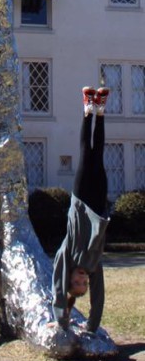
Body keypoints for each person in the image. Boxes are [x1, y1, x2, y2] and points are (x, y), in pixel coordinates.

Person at [51, 86, 111, 333]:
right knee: (99, 155)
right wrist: (91, 326)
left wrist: (62, 322)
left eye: (76, 281)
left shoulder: (66, 256)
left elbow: (57, 290)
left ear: (70, 279)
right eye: (84, 282)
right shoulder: (94, 265)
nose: (82, 277)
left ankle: (88, 109)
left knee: (87, 154)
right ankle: (102, 110)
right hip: (98, 206)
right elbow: (98, 300)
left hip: (81, 200)